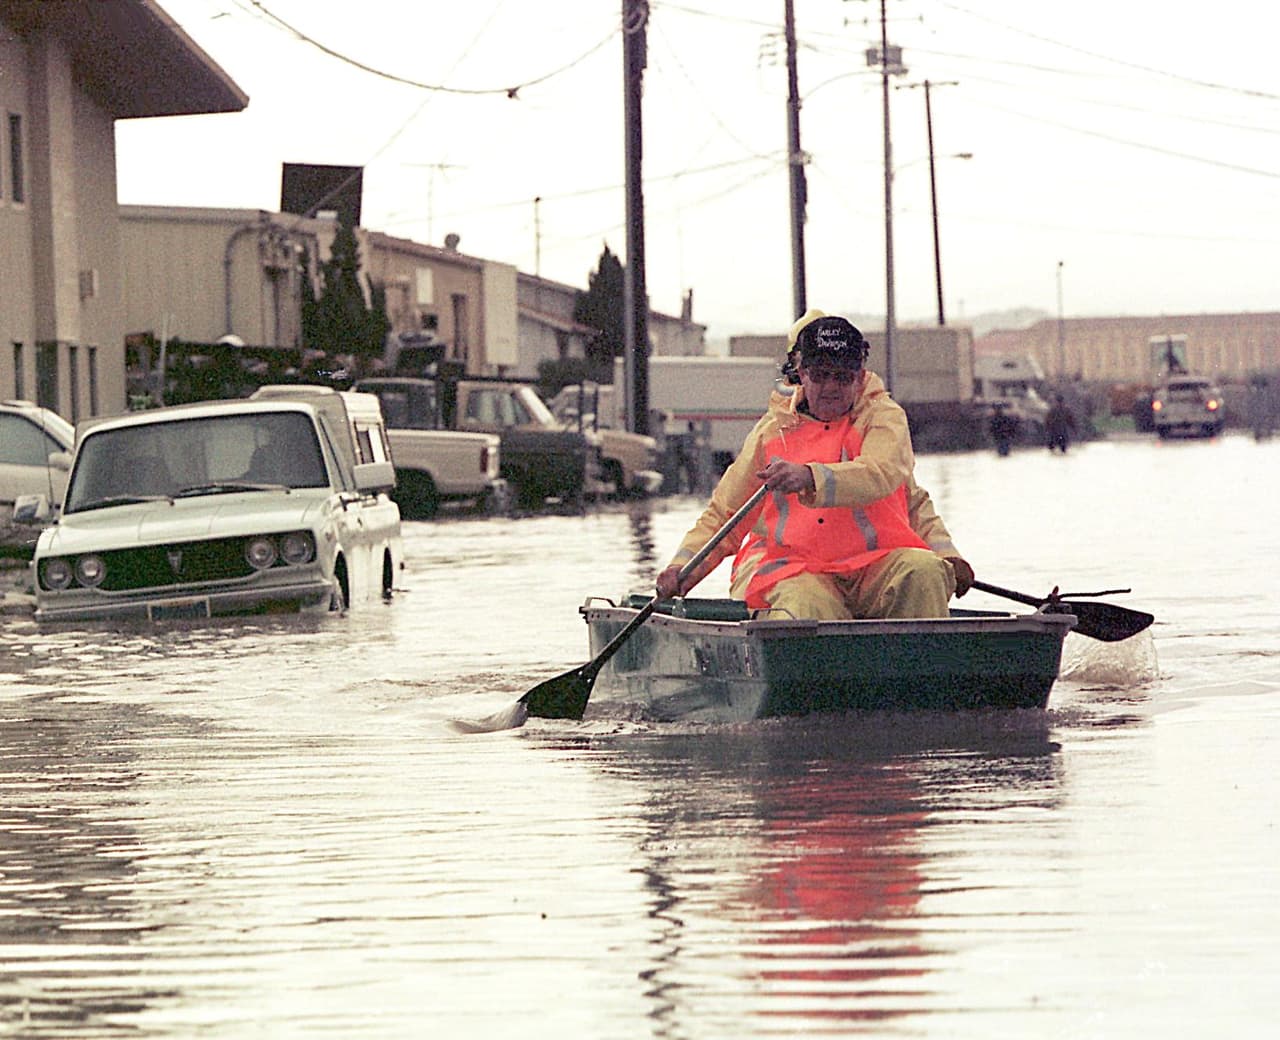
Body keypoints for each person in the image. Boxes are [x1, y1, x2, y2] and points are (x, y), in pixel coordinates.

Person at [655, 309, 974, 621]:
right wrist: (682, 570)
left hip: (874, 566)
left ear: (860, 377)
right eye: (820, 375)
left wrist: (948, 557)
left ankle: (919, 669)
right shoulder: (771, 432)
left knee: (926, 573)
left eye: (842, 377)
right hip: (791, 565)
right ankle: (821, 670)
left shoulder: (883, 419)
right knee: (806, 604)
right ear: (801, 374)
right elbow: (725, 513)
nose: (831, 386)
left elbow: (895, 487)